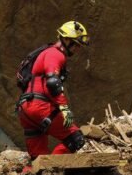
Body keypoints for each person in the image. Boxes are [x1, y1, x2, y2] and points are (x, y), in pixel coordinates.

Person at [18, 21, 89, 163]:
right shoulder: (56, 54)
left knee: (38, 160)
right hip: (39, 107)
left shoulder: (45, 52)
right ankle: (54, 169)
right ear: (66, 39)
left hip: (25, 109)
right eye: (76, 44)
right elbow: (53, 82)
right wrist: (64, 108)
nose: (77, 49)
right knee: (76, 139)